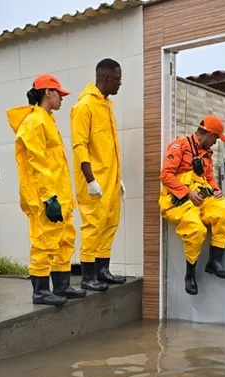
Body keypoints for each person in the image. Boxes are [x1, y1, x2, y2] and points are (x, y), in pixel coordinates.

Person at [6, 74, 86, 306]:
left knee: (65, 238)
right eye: (59, 94)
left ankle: (61, 285)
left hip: (60, 194)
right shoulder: (34, 122)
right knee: (43, 241)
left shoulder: (48, 120)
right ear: (47, 93)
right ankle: (40, 291)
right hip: (46, 196)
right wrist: (48, 197)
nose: (62, 98)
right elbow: (37, 162)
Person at [159, 115, 225, 296]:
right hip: (179, 199)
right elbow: (166, 175)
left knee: (224, 212)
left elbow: (208, 177)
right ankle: (190, 275)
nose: (216, 142)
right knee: (196, 229)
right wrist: (187, 193)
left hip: (201, 195)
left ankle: (214, 263)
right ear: (208, 135)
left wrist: (216, 190)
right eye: (216, 138)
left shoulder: (207, 154)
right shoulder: (180, 145)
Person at [70, 58, 127, 291]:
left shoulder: (106, 105)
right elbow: (80, 145)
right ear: (106, 78)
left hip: (111, 178)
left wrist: (117, 177)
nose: (120, 84)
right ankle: (88, 276)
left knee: (110, 223)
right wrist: (90, 179)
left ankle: (103, 270)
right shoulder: (84, 106)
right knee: (93, 225)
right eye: (118, 79)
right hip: (93, 179)